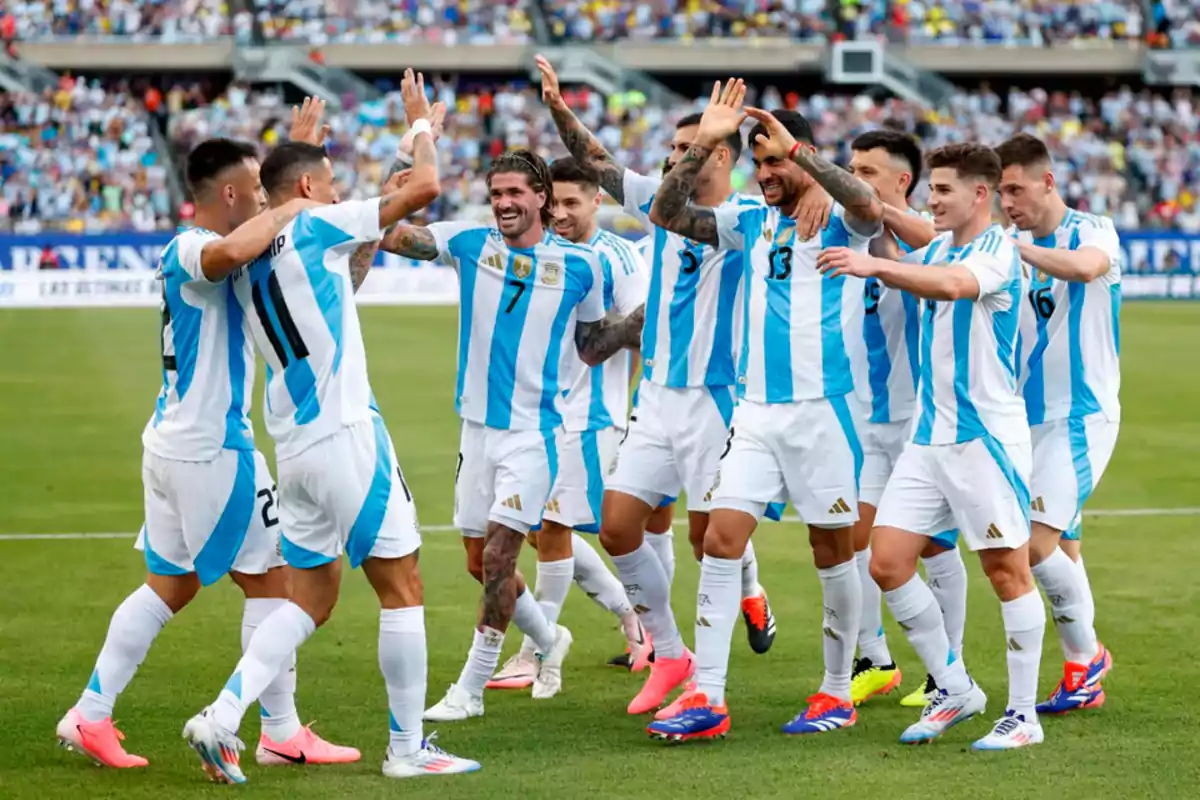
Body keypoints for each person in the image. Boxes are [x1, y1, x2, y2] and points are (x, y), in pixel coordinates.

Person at [179, 71, 479, 783]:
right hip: (347, 435)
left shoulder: (253, 260)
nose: (343, 193)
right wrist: (419, 130)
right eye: (333, 182)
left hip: (296, 449)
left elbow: (355, 271)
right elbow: (424, 191)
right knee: (402, 586)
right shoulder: (314, 223)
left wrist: (329, 162)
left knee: (309, 596)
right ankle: (408, 750)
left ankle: (221, 716)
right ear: (309, 191)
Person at [56, 136, 358, 771]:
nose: (262, 196)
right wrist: (295, 206)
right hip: (212, 452)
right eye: (255, 186)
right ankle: (278, 730)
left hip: (169, 445)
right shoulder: (193, 248)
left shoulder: (206, 249)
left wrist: (295, 151)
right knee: (277, 583)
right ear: (228, 194)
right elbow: (229, 251)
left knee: (169, 585)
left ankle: (89, 712)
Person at [538, 57, 794, 717]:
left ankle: (714, 677)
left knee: (710, 538)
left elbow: (673, 207)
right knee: (620, 528)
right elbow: (594, 162)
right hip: (654, 398)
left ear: (724, 156)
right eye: (675, 147)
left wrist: (712, 136)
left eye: (690, 147)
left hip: (715, 399)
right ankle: (671, 652)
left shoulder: (747, 221)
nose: (677, 155)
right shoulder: (659, 206)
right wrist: (559, 108)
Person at [643, 87, 879, 740]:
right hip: (755, 414)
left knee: (831, 550)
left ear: (803, 159)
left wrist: (805, 157)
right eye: (760, 162)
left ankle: (836, 692)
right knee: (720, 540)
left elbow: (870, 205)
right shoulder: (747, 220)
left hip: (822, 413)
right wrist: (699, 145)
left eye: (777, 161)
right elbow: (666, 213)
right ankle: (708, 697)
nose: (768, 173)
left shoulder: (836, 217)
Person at [377, 148, 642, 722]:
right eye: (496, 194)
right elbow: (388, 234)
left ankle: (470, 688)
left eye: (515, 193)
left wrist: (644, 320)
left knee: (500, 555)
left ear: (541, 197)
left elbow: (592, 346)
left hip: (535, 434)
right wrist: (407, 153)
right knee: (478, 562)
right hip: (476, 431)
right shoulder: (468, 244)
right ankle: (551, 639)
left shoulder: (581, 267)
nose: (503, 204)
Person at [818, 142, 1045, 751]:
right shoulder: (942, 241)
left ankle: (1023, 715)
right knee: (887, 562)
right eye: (930, 189)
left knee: (1006, 571)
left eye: (943, 190)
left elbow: (950, 285)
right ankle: (954, 687)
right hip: (929, 436)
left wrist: (879, 266)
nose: (932, 200)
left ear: (980, 194)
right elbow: (908, 232)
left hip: (984, 438)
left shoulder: (997, 249)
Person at [486, 156, 654, 691]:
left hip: (588, 416)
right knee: (538, 532)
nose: (558, 213)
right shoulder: (542, 254)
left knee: (553, 529)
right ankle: (635, 618)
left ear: (596, 200)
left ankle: (537, 652)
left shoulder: (618, 257)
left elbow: (642, 330)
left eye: (571, 203)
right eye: (552, 202)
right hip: (540, 414)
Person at [845, 130, 970, 709]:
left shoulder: (934, 240)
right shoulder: (844, 232)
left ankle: (951, 668)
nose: (854, 178)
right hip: (862, 421)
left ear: (902, 182)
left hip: (920, 423)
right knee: (854, 540)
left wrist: (884, 218)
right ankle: (875, 658)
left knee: (936, 548)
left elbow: (938, 258)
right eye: (850, 168)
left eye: (868, 171)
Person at [996, 132, 1119, 713]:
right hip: (1026, 421)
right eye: (999, 192)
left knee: (1033, 545)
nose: (1008, 202)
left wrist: (1015, 249)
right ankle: (1082, 671)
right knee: (1064, 546)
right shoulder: (1008, 240)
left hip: (1080, 416)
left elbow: (1083, 268)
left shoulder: (1092, 230)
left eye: (1016, 189)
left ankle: (1086, 656)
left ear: (1048, 182)